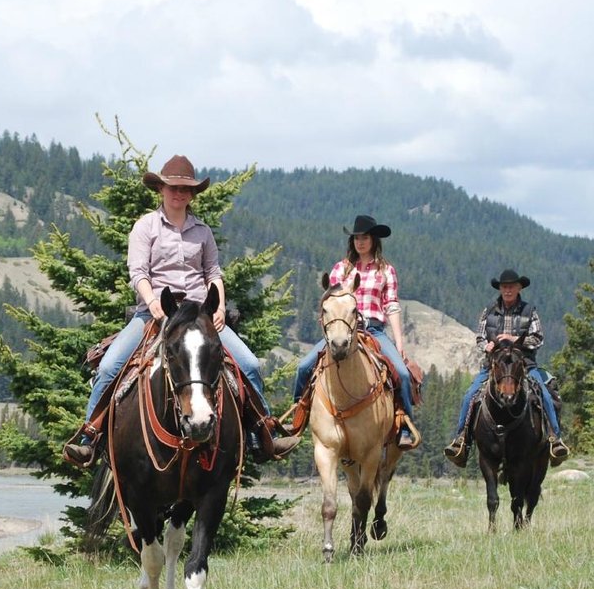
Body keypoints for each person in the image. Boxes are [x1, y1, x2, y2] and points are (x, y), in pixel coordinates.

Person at [63, 155, 298, 466]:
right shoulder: (145, 227)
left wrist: (220, 306)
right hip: (154, 313)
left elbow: (213, 272)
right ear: (162, 189)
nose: (179, 194)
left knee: (250, 365)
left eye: (185, 189)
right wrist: (152, 303)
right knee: (109, 367)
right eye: (173, 188)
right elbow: (138, 273)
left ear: (192, 194)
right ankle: (89, 438)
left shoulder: (203, 232)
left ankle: (262, 434)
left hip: (200, 315)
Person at [291, 215, 416, 450]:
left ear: (373, 240)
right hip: (342, 330)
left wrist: (399, 342)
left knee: (402, 373)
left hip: (374, 331)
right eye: (356, 238)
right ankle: (298, 416)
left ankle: (404, 424)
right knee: (304, 367)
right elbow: (330, 300)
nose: (360, 242)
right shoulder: (341, 268)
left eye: (365, 237)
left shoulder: (386, 270)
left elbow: (391, 305)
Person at [444, 269, 569, 467]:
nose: (508, 290)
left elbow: (538, 338)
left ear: (519, 288)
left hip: (524, 365)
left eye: (511, 286)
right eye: (504, 287)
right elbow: (480, 337)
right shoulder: (489, 310)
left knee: (544, 394)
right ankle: (461, 440)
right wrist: (486, 346)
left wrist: (514, 340)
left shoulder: (529, 311)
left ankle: (555, 438)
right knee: (470, 395)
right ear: (500, 289)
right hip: (494, 366)